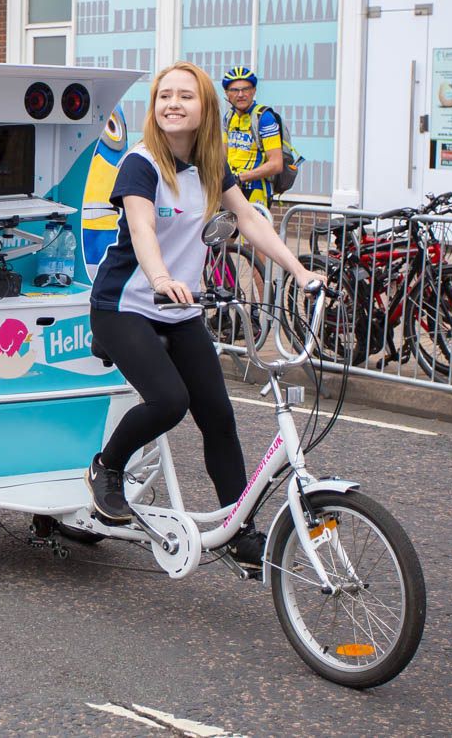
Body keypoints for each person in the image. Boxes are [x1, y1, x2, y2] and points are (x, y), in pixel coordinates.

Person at [85, 61, 321, 569]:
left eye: (185, 96)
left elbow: (249, 219)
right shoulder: (140, 163)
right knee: (170, 401)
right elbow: (143, 228)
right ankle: (106, 467)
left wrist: (301, 273)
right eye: (164, 95)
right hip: (124, 306)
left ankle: (240, 530)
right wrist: (159, 277)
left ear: (204, 107)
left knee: (218, 417)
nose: (173, 103)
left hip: (180, 309)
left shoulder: (211, 165)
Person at [221, 67, 283, 209]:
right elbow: (223, 156)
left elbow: (276, 164)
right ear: (227, 93)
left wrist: (240, 178)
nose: (241, 94)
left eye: (246, 89)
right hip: (230, 190)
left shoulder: (264, 117)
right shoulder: (229, 117)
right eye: (234, 90)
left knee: (252, 231)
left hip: (255, 191)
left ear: (254, 91)